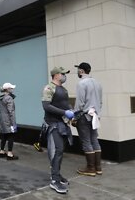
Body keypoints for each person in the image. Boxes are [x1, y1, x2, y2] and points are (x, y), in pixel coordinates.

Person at [41, 66, 74, 194]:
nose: (65, 75)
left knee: (60, 151)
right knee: (57, 151)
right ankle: (54, 181)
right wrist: (64, 112)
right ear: (56, 75)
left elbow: (65, 103)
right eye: (63, 73)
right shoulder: (49, 88)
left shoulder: (63, 89)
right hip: (53, 124)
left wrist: (71, 110)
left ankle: (57, 174)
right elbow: (46, 106)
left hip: (62, 124)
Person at [74, 62, 103, 176]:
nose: (77, 72)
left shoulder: (81, 83)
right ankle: (98, 167)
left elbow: (80, 104)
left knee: (86, 141)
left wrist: (75, 117)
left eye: (78, 70)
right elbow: (100, 102)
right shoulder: (97, 83)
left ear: (81, 71)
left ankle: (90, 168)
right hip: (95, 115)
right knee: (94, 140)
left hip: (84, 116)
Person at [0, 82, 19, 160]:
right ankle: (10, 154)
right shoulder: (9, 98)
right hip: (8, 120)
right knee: (11, 135)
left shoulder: (1, 97)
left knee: (4, 135)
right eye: (11, 88)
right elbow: (11, 111)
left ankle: (2, 151)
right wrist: (14, 124)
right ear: (7, 89)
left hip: (2, 120)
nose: (13, 89)